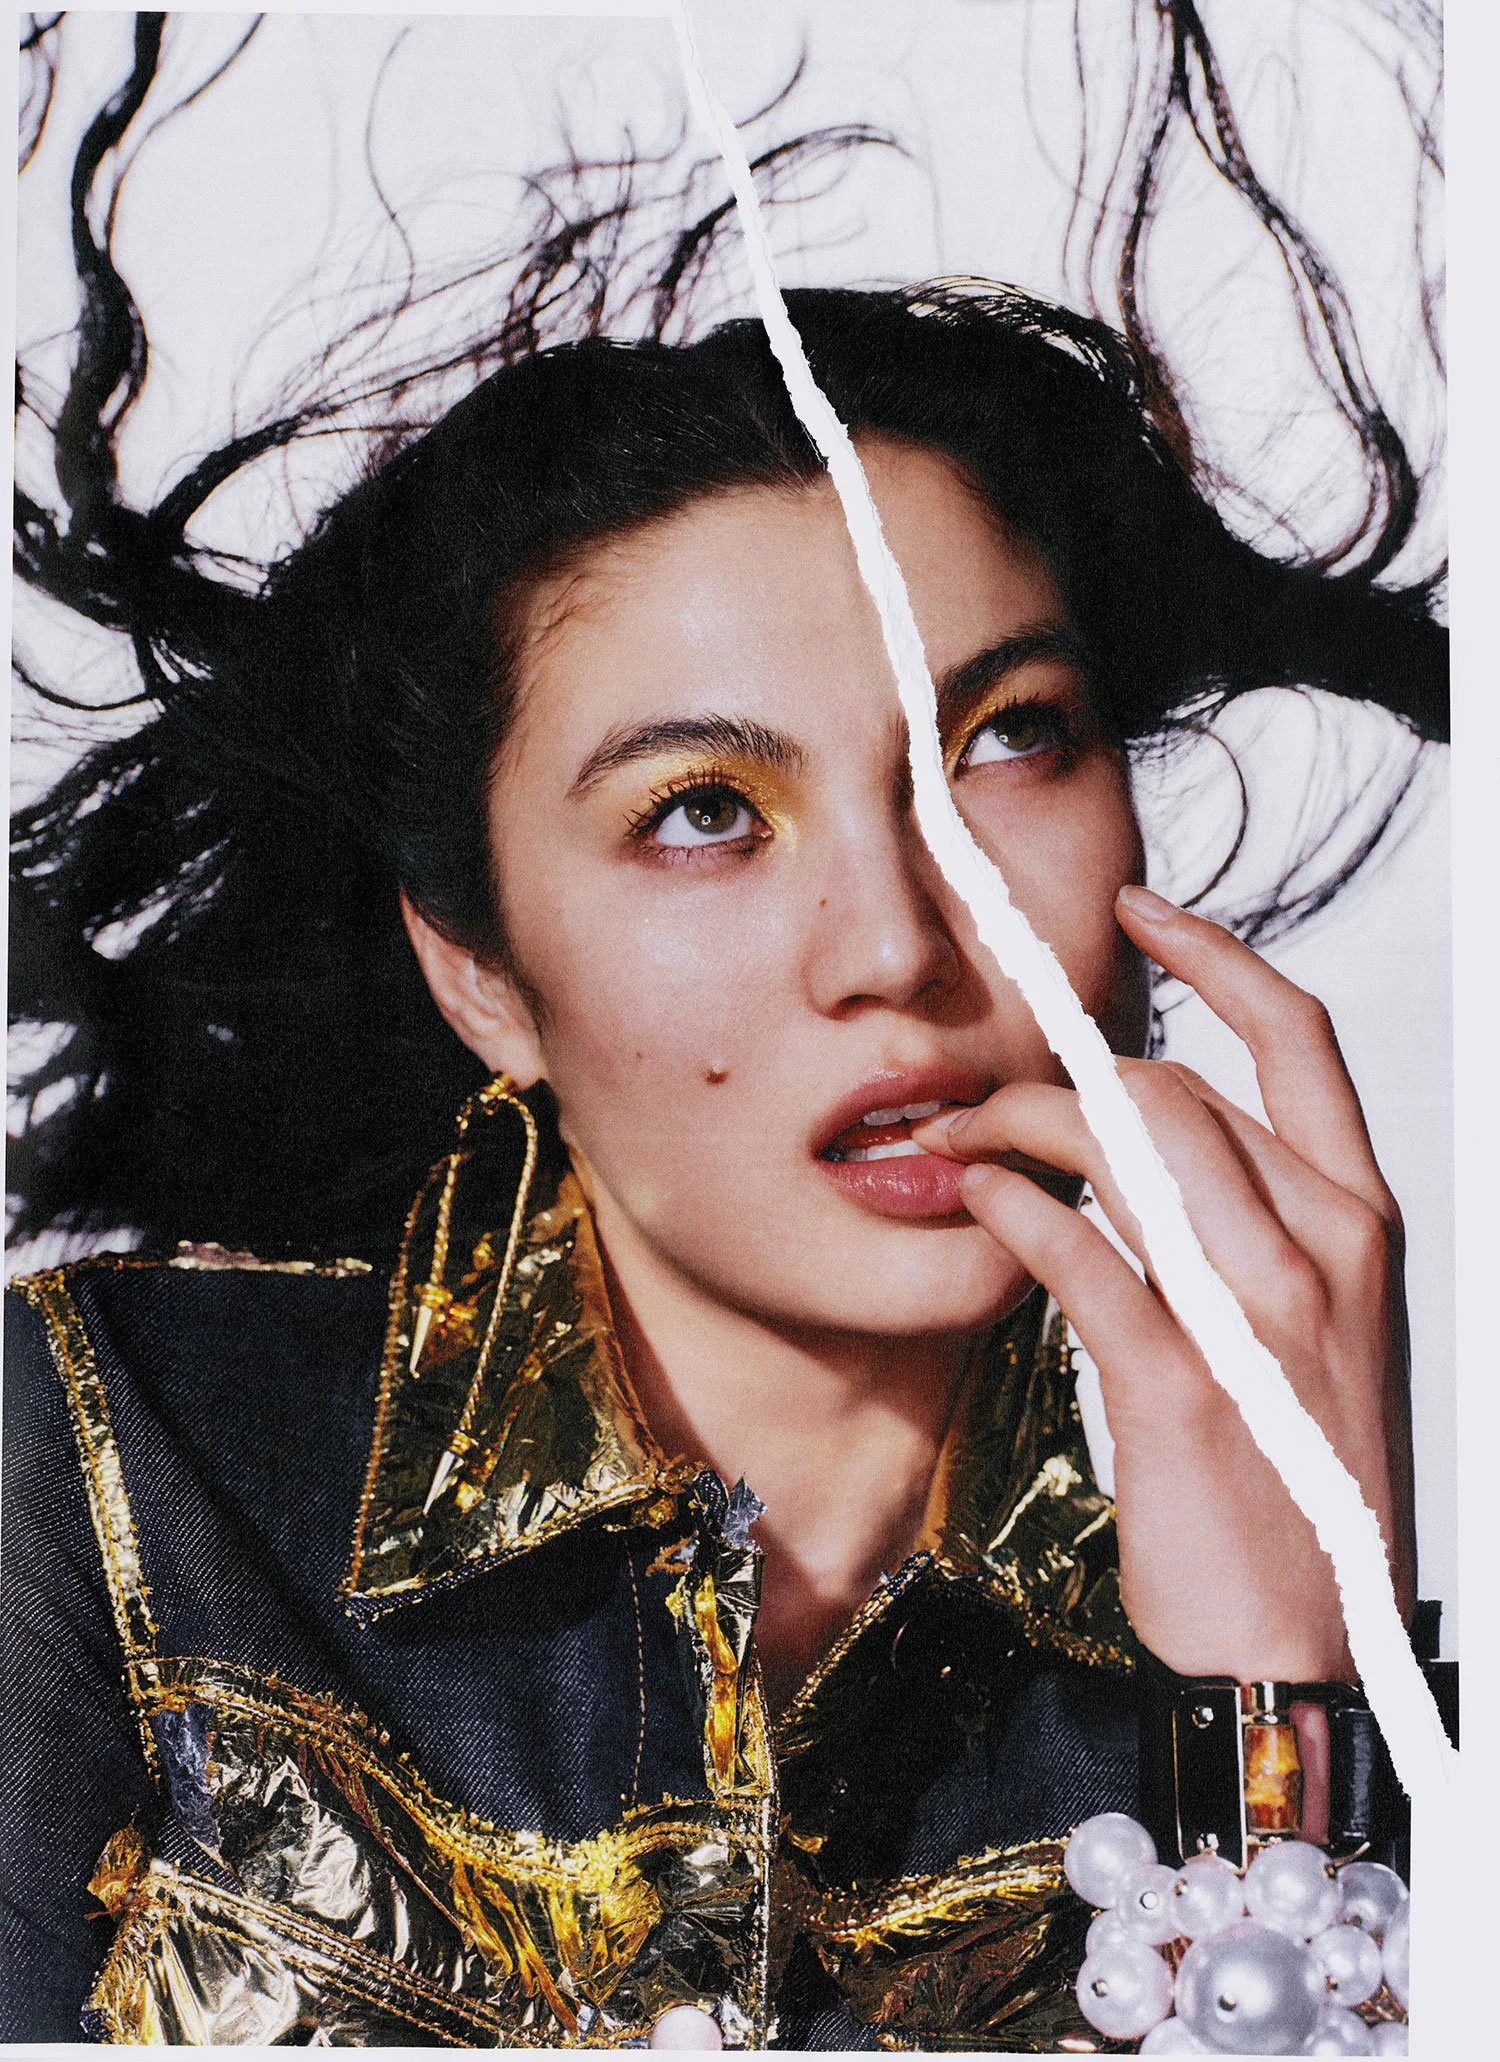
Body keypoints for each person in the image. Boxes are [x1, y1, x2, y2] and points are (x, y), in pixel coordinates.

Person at [4, 11, 1450, 2051]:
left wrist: (1291, 1709)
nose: (901, 945)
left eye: (1005, 740)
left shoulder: (1339, 1702)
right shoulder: (108, 1476)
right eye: (704, 812)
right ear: (479, 968)